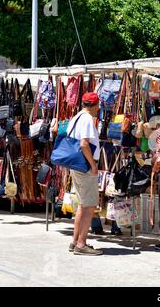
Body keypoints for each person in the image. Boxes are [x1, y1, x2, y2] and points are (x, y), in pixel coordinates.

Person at [67, 92, 103, 256]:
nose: (99, 108)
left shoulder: (76, 117)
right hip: (85, 166)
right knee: (89, 206)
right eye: (98, 105)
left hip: (76, 165)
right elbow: (84, 144)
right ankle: (81, 244)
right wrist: (93, 164)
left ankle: (75, 241)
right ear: (95, 105)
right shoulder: (88, 119)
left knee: (83, 204)